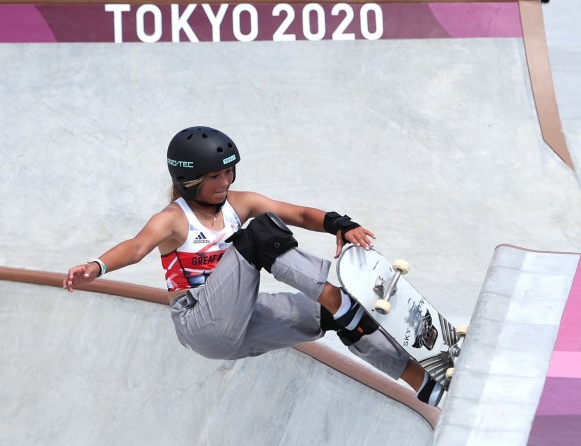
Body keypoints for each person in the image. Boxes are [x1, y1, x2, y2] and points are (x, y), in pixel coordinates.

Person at [63, 126, 445, 406]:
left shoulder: (239, 202)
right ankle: (333, 297)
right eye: (215, 176)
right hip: (200, 322)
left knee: (340, 319)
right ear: (189, 179)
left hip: (245, 322)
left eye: (229, 172)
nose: (225, 181)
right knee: (258, 237)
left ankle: (425, 386)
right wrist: (96, 267)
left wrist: (340, 223)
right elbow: (136, 246)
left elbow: (295, 213)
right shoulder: (173, 219)